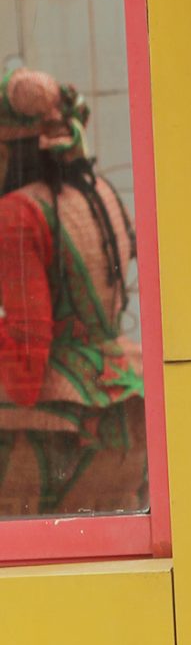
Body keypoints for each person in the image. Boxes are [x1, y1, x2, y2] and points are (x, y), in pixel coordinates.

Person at [0, 58, 145, 519]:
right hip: (128, 415)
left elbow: (25, 367)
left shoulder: (18, 212)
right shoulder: (100, 192)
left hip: (57, 435)